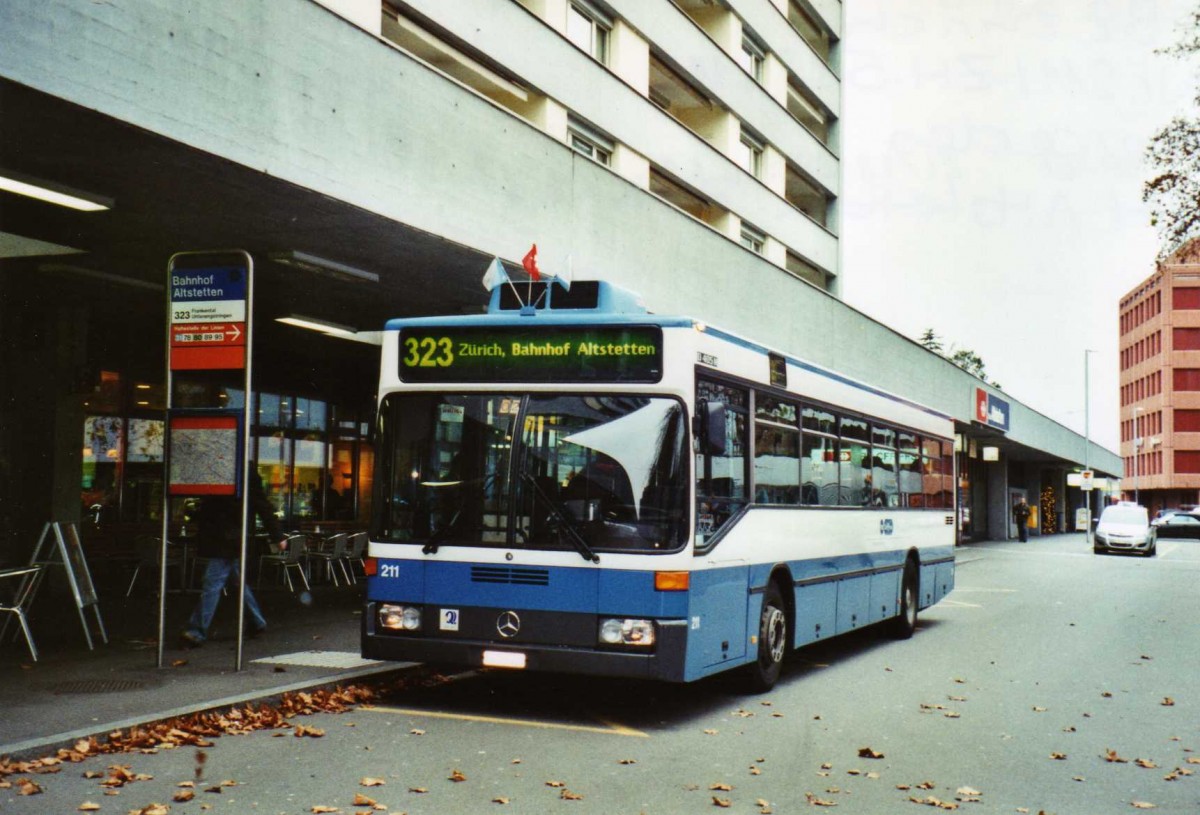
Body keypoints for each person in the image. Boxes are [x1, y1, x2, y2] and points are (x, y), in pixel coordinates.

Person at [180, 468, 287, 647]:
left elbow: (261, 505)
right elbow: (262, 505)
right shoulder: (242, 472)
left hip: (225, 539)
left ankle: (196, 631)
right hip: (232, 537)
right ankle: (256, 621)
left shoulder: (227, 473)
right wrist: (277, 535)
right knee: (236, 583)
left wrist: (277, 534)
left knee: (212, 583)